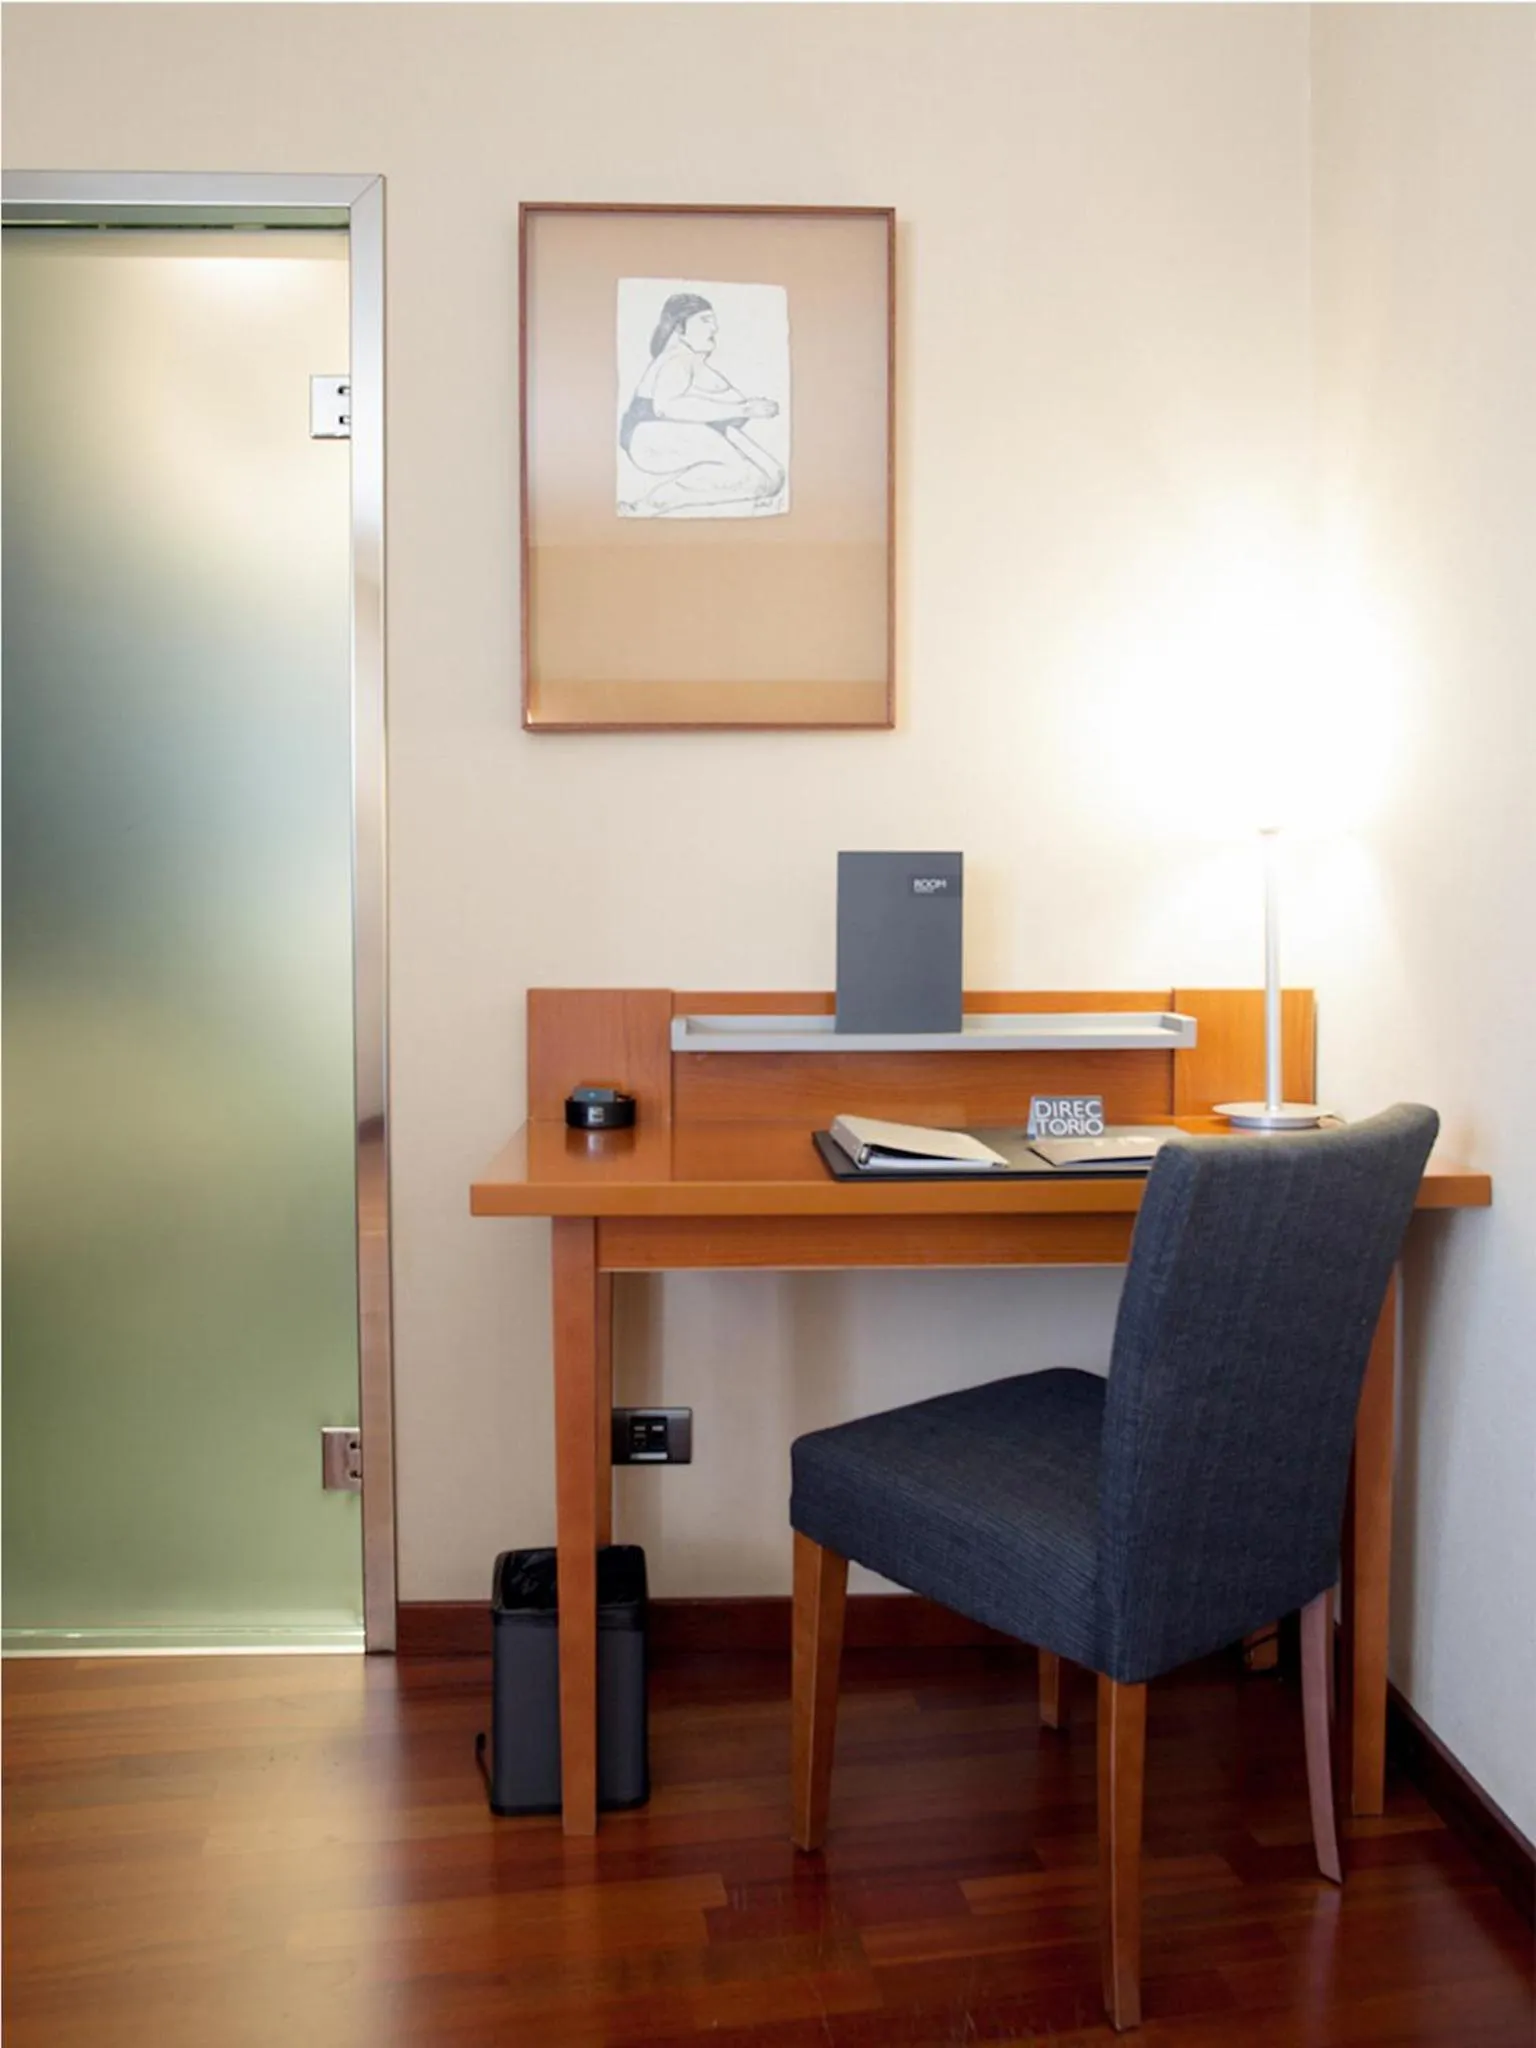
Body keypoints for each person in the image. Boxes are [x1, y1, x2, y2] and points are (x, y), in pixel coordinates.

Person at [619, 292, 785, 516]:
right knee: (746, 476)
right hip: (648, 434)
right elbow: (666, 407)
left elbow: (731, 403)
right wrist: (745, 409)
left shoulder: (694, 362)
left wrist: (747, 407)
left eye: (714, 321)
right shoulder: (678, 359)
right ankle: (648, 505)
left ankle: (651, 505)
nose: (714, 328)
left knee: (771, 478)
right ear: (679, 328)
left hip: (685, 432)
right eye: (705, 320)